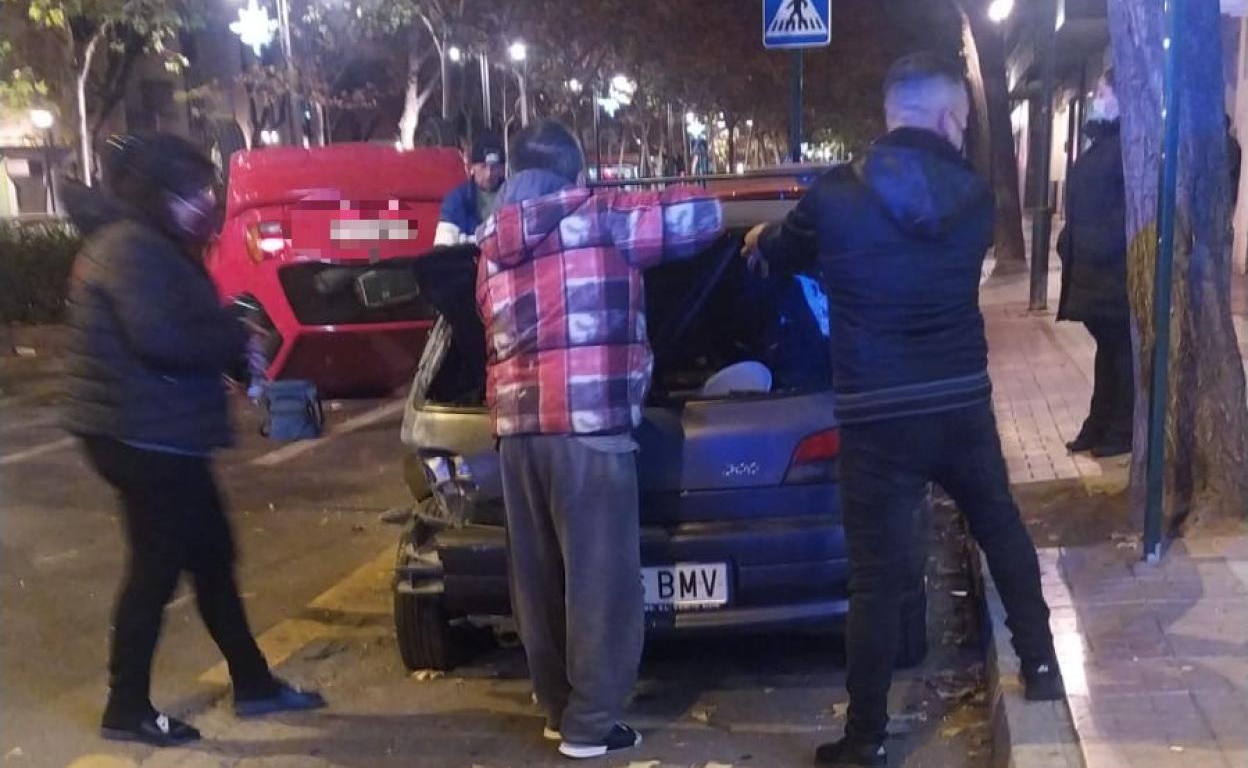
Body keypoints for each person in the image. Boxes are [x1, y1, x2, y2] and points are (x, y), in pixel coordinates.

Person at [743, 54, 1062, 767]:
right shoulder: (977, 199)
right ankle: (1040, 666)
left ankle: (866, 738)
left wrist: (763, 241)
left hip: (875, 414)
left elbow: (789, 252)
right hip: (957, 401)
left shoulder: (834, 196)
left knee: (877, 578)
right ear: (950, 117)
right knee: (1001, 530)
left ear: (891, 114)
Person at [61, 134, 324, 748]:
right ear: (159, 195)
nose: (205, 201)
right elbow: (161, 338)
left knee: (212, 558)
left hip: (158, 430)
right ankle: (126, 706)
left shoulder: (151, 243)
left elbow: (178, 325)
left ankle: (253, 682)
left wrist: (227, 335)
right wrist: (231, 341)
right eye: (192, 192)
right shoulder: (132, 248)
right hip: (142, 434)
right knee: (156, 569)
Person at [476, 120, 723, 760]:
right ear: (575, 172)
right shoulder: (605, 217)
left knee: (538, 581)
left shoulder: (490, 242)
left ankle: (560, 710)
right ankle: (590, 727)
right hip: (587, 427)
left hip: (516, 433)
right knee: (601, 582)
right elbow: (703, 217)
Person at [1057, 70, 1133, 458]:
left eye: (1102, 92)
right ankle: (1100, 425)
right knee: (1109, 352)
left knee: (1121, 352)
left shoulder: (1128, 144)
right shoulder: (1104, 142)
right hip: (1094, 270)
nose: (1096, 98)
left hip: (1113, 272)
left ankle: (1120, 430)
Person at [434, 131, 506, 246]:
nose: (489, 174)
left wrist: (465, 240)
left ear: (503, 169)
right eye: (483, 167)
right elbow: (443, 247)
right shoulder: (456, 199)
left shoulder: (514, 195)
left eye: (495, 167)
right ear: (472, 168)